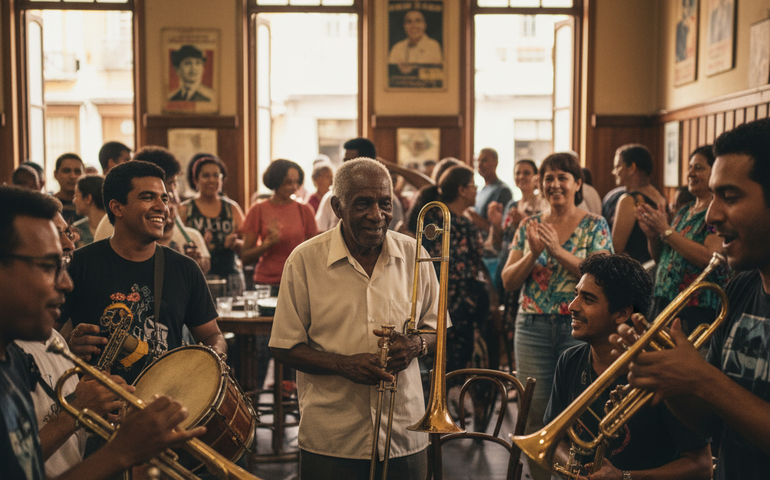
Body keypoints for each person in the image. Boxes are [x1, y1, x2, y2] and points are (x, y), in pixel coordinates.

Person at [0, 185, 205, 480]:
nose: (66, 283)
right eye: (48, 265)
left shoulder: (12, 362)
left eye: (64, 263)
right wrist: (120, 450)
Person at [615, 118, 770, 480]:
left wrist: (703, 379)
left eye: (730, 197)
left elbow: (712, 389)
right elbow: (712, 422)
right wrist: (667, 378)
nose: (712, 215)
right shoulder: (740, 289)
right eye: (713, 196)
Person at [269, 159, 441, 480]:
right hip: (333, 438)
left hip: (404, 432)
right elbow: (283, 346)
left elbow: (437, 329)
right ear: (337, 207)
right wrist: (343, 365)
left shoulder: (414, 255)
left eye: (385, 203)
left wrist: (415, 345)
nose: (377, 215)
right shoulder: (305, 260)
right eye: (363, 204)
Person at [544, 253, 712, 480]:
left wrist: (625, 477)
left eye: (588, 299)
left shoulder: (661, 372)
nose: (572, 306)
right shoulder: (569, 360)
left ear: (622, 313)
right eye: (576, 295)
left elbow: (702, 467)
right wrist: (576, 472)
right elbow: (555, 440)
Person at [58, 161, 225, 385]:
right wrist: (69, 346)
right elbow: (44, 339)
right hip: (97, 401)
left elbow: (211, 335)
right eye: (148, 197)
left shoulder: (185, 269)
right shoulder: (79, 264)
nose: (162, 207)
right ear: (117, 208)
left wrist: (214, 357)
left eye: (164, 199)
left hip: (165, 399)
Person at [500, 152, 613, 480]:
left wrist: (556, 251)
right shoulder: (529, 225)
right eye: (548, 178)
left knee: (577, 413)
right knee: (535, 412)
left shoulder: (595, 224)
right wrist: (533, 254)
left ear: (578, 183)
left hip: (580, 327)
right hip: (532, 326)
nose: (555, 184)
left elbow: (603, 277)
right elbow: (508, 281)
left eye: (563, 177)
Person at [636, 145, 728, 333]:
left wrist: (666, 230)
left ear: (716, 171)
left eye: (698, 168)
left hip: (696, 307)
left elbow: (710, 258)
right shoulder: (684, 211)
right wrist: (653, 235)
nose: (690, 173)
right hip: (665, 301)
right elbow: (662, 259)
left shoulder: (716, 212)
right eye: (690, 167)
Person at [421, 165, 488, 377]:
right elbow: (475, 261)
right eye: (473, 186)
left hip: (429, 299)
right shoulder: (461, 224)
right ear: (462, 190)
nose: (476, 190)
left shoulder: (430, 217)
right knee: (454, 367)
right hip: (458, 304)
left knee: (433, 364)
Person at [241, 159, 317, 288]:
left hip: (297, 280)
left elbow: (315, 251)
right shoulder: (258, 210)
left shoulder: (304, 210)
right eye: (288, 182)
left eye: (296, 182)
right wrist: (266, 245)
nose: (293, 187)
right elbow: (245, 257)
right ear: (276, 180)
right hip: (266, 282)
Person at [180, 155, 245, 293]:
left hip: (230, 278)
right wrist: (199, 244)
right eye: (206, 176)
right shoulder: (185, 209)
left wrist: (235, 243)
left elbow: (247, 246)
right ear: (195, 180)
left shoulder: (231, 208)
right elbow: (176, 246)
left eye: (216, 175)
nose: (211, 180)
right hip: (197, 278)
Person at [610, 144, 666, 264]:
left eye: (618, 166)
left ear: (632, 168)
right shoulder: (660, 196)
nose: (614, 172)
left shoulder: (629, 200)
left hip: (633, 268)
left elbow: (615, 249)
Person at [315, 137, 377, 232]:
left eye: (351, 162)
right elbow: (321, 232)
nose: (345, 167)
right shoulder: (331, 198)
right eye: (344, 162)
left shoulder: (386, 200)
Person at [468, 147, 513, 235]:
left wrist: (471, 215)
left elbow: (502, 228)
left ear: (495, 163)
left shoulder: (503, 191)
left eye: (484, 160)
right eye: (478, 161)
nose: (479, 165)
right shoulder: (480, 190)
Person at [71, 175, 105, 248]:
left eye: (76, 195)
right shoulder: (76, 229)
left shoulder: (117, 227)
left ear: (88, 198)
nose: (74, 201)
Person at [52, 154, 85, 224]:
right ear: (55, 174)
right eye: (66, 171)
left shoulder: (89, 205)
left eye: (77, 171)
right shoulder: (48, 205)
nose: (72, 176)